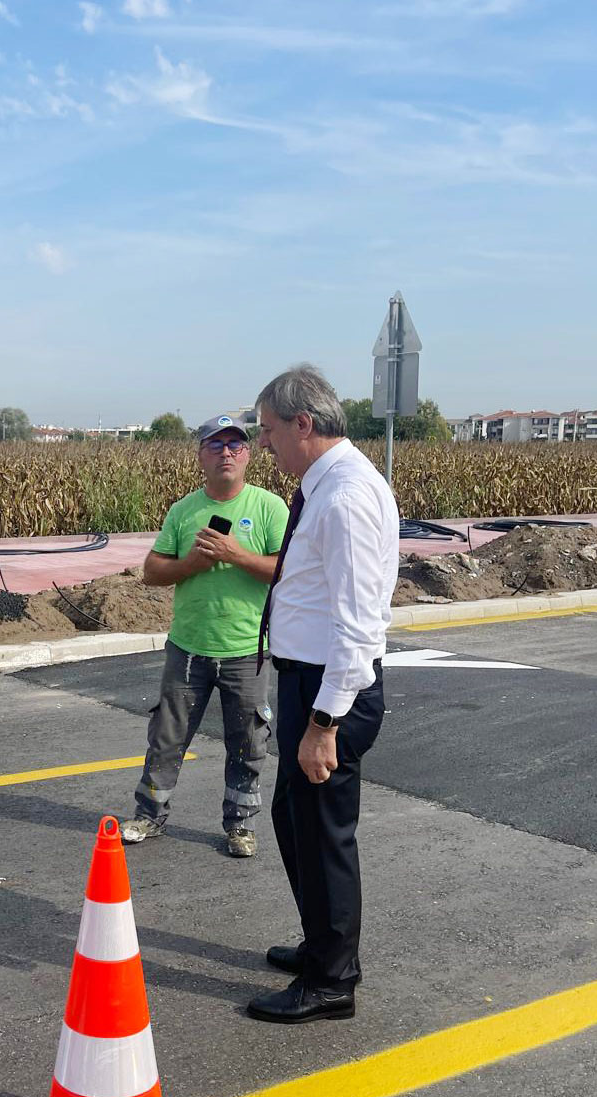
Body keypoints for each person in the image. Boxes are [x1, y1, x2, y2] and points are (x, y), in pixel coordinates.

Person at [247, 364, 398, 1024]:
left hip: (330, 693)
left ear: (303, 424)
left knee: (324, 833)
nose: (264, 446)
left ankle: (333, 978)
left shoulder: (345, 496)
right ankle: (320, 943)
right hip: (308, 681)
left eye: (269, 431)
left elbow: (360, 623)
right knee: (294, 820)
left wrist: (324, 722)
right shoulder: (326, 485)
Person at [120, 415, 289, 857]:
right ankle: (149, 815)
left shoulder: (270, 508)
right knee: (167, 736)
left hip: (247, 650)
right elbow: (152, 572)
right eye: (216, 446)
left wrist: (236, 555)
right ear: (200, 456)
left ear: (249, 455)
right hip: (189, 648)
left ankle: (241, 826)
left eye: (236, 445)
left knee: (249, 741)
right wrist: (190, 565)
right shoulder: (184, 511)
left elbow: (287, 570)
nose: (227, 453)